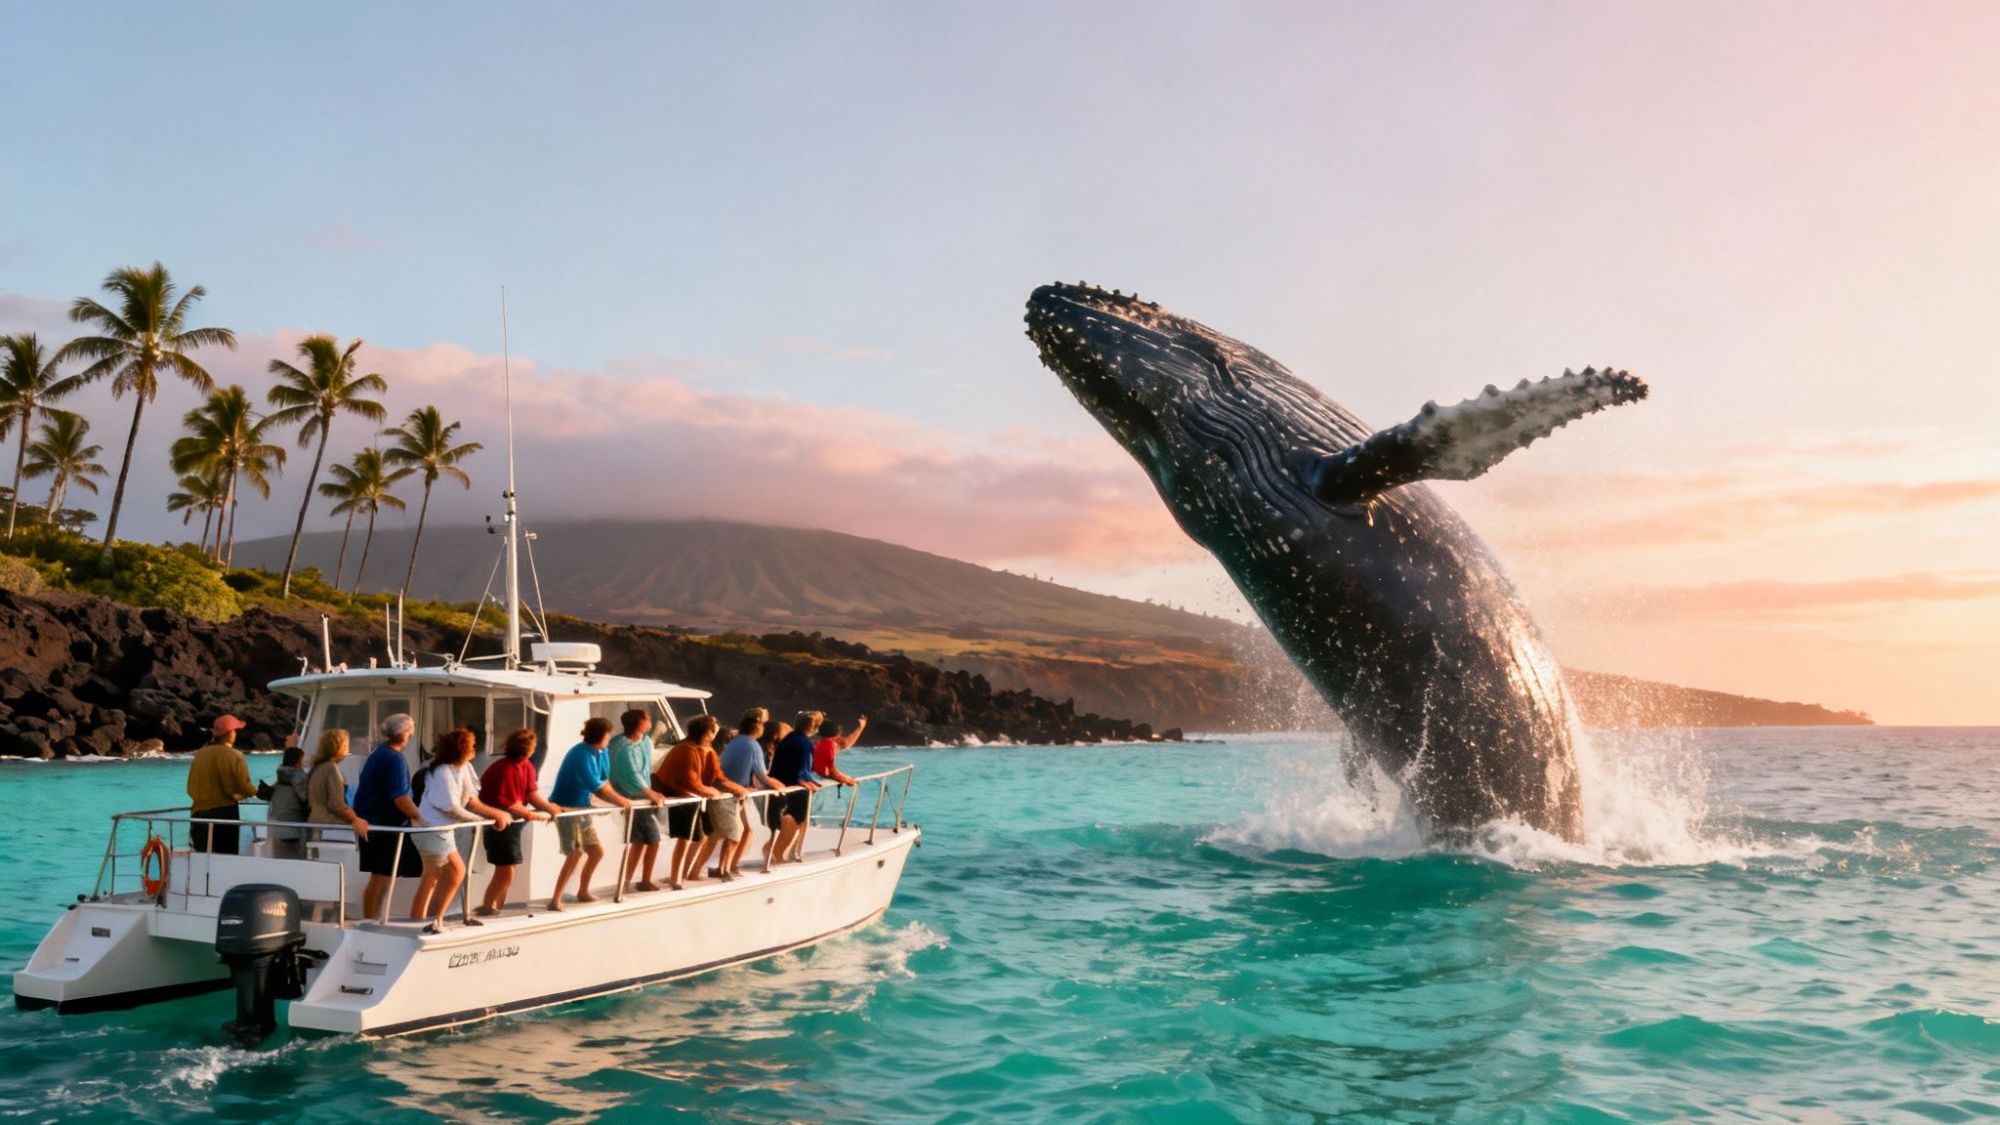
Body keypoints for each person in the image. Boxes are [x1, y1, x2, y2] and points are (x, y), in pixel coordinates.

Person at [408, 728, 512, 933]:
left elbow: (471, 800)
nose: (474, 748)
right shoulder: (442, 771)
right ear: (461, 748)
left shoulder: (463, 768)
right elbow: (451, 808)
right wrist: (481, 820)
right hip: (431, 830)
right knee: (456, 872)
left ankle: (428, 920)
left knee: (436, 876)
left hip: (441, 831)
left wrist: (494, 815)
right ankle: (434, 921)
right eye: (471, 745)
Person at [546, 716, 634, 911]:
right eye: (608, 734)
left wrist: (619, 801)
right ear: (600, 735)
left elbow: (604, 780)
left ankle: (582, 891)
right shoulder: (581, 754)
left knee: (596, 851)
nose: (609, 738)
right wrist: (622, 802)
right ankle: (555, 899)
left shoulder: (601, 751)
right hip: (567, 807)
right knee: (575, 853)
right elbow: (597, 788)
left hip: (582, 807)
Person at [476, 728, 560, 917]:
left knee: (509, 868)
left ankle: (495, 907)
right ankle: (488, 906)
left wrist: (549, 808)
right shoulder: (504, 768)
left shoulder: (526, 766)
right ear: (527, 748)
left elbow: (531, 794)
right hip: (499, 825)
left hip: (513, 825)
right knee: (506, 870)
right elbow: (512, 804)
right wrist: (536, 816)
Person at [354, 714, 424, 920]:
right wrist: (419, 817)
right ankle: (370, 919)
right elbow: (400, 796)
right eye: (410, 733)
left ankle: (372, 917)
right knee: (380, 875)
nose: (410, 736)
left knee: (381, 875)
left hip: (374, 822)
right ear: (402, 734)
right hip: (384, 825)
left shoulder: (378, 754)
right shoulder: (393, 758)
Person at [652, 714, 723, 890]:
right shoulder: (687, 749)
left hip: (693, 797)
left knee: (703, 836)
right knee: (685, 838)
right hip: (678, 797)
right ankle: (676, 877)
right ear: (707, 732)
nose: (717, 729)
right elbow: (691, 782)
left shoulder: (707, 750)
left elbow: (718, 776)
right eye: (714, 726)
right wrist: (710, 791)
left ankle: (688, 873)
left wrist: (737, 788)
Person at [682, 716, 752, 884]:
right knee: (724, 834)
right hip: (709, 797)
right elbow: (717, 778)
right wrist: (736, 788)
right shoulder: (703, 751)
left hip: (710, 796)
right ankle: (715, 870)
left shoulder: (706, 751)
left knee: (711, 837)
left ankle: (692, 872)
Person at [607, 708, 670, 892]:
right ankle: (642, 880)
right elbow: (632, 774)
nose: (650, 720)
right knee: (652, 840)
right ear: (639, 723)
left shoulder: (643, 742)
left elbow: (648, 759)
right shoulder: (622, 746)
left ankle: (627, 881)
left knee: (639, 841)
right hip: (633, 798)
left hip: (642, 797)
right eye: (646, 718)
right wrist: (651, 794)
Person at [718, 708, 785, 877]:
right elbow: (763, 776)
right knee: (739, 832)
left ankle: (728, 866)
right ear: (757, 727)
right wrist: (781, 787)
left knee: (743, 830)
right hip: (734, 793)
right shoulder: (753, 745)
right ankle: (725, 868)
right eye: (762, 723)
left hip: (729, 790)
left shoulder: (735, 741)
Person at [187, 715, 255, 854]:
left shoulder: (200, 754)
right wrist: (259, 792)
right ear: (229, 734)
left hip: (198, 814)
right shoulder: (235, 755)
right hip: (225, 814)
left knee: (202, 860)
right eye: (235, 730)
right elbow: (244, 786)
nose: (236, 734)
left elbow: (190, 787)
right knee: (226, 859)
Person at [767, 711, 826, 868]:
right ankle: (778, 854)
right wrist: (807, 781)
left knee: (793, 817)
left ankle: (775, 852)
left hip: (781, 783)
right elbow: (801, 767)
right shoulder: (804, 743)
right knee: (795, 817)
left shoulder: (789, 739)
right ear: (810, 726)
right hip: (792, 786)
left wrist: (810, 780)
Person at [305, 728, 369, 844]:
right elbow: (336, 804)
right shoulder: (331, 768)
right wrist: (355, 819)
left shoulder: (317, 768)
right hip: (330, 828)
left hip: (315, 824)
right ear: (340, 747)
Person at [264, 745, 311, 859]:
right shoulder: (299, 777)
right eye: (302, 761)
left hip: (276, 824)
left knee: (280, 861)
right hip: (294, 825)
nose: (304, 764)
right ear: (297, 761)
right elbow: (306, 798)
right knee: (297, 861)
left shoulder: (280, 778)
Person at [812, 714, 867, 788]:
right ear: (835, 735)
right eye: (839, 734)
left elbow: (845, 744)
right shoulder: (828, 745)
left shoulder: (819, 744)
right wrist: (847, 779)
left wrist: (860, 728)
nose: (841, 737)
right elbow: (831, 771)